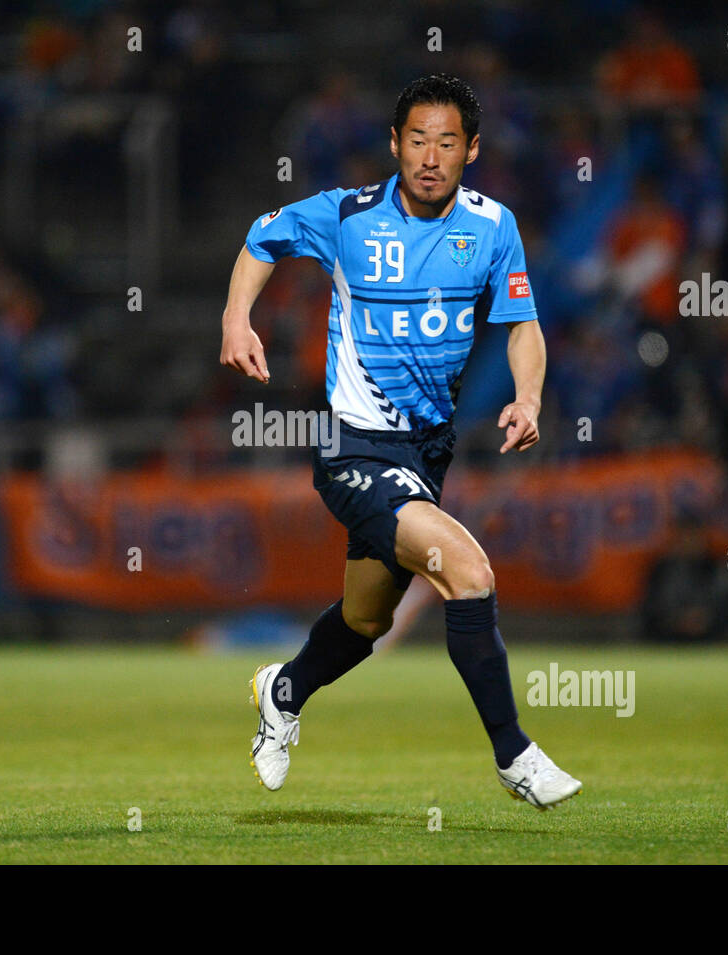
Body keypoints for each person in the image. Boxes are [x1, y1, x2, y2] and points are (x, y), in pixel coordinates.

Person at [219, 74, 582, 810]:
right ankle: (514, 754)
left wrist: (530, 395)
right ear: (393, 143)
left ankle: (282, 690)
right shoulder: (348, 216)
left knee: (365, 619)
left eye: (447, 142)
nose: (429, 155)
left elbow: (522, 324)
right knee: (469, 571)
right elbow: (263, 236)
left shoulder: (493, 227)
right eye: (416, 139)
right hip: (355, 448)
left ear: (472, 150)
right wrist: (236, 317)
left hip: (427, 453)